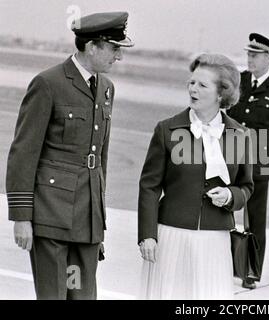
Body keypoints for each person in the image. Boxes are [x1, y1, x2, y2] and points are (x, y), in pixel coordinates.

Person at [5, 12, 134, 300]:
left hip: (87, 219)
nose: (119, 57)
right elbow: (23, 152)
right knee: (54, 295)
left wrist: (99, 224)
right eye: (114, 49)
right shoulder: (48, 83)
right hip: (51, 213)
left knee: (82, 296)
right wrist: (22, 217)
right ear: (92, 46)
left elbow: (100, 158)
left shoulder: (106, 89)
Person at [138, 53, 254, 299]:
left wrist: (230, 196)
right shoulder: (167, 129)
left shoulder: (239, 135)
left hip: (215, 241)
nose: (193, 89)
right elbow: (149, 186)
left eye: (202, 85)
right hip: (171, 234)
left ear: (221, 93)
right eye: (192, 82)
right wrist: (147, 235)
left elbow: (246, 187)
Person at [227, 33, 269, 289]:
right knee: (223, 211)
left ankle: (250, 272)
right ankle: (223, 263)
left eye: (255, 55)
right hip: (232, 156)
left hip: (259, 162)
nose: (250, 59)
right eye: (248, 54)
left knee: (255, 219)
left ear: (268, 58)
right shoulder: (239, 81)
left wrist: (265, 154)